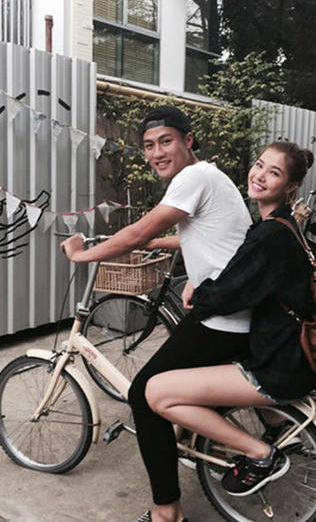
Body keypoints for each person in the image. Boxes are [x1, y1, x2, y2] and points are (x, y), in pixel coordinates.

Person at [60, 105, 253, 522]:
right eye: (148, 146)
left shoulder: (192, 178)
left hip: (224, 320)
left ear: (188, 140)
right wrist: (161, 246)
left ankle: (167, 512)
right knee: (180, 377)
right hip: (230, 308)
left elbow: (137, 232)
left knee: (143, 396)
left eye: (166, 141)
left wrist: (82, 255)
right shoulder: (212, 176)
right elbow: (202, 235)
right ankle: (207, 441)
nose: (156, 153)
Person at [143, 142, 316, 515]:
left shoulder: (270, 235)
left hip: (275, 366)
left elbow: (229, 293)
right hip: (288, 353)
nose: (260, 175)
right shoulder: (279, 225)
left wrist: (199, 291)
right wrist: (198, 279)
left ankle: (261, 454)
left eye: (274, 172)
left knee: (154, 393)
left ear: (290, 186)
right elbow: (241, 269)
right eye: (259, 164)